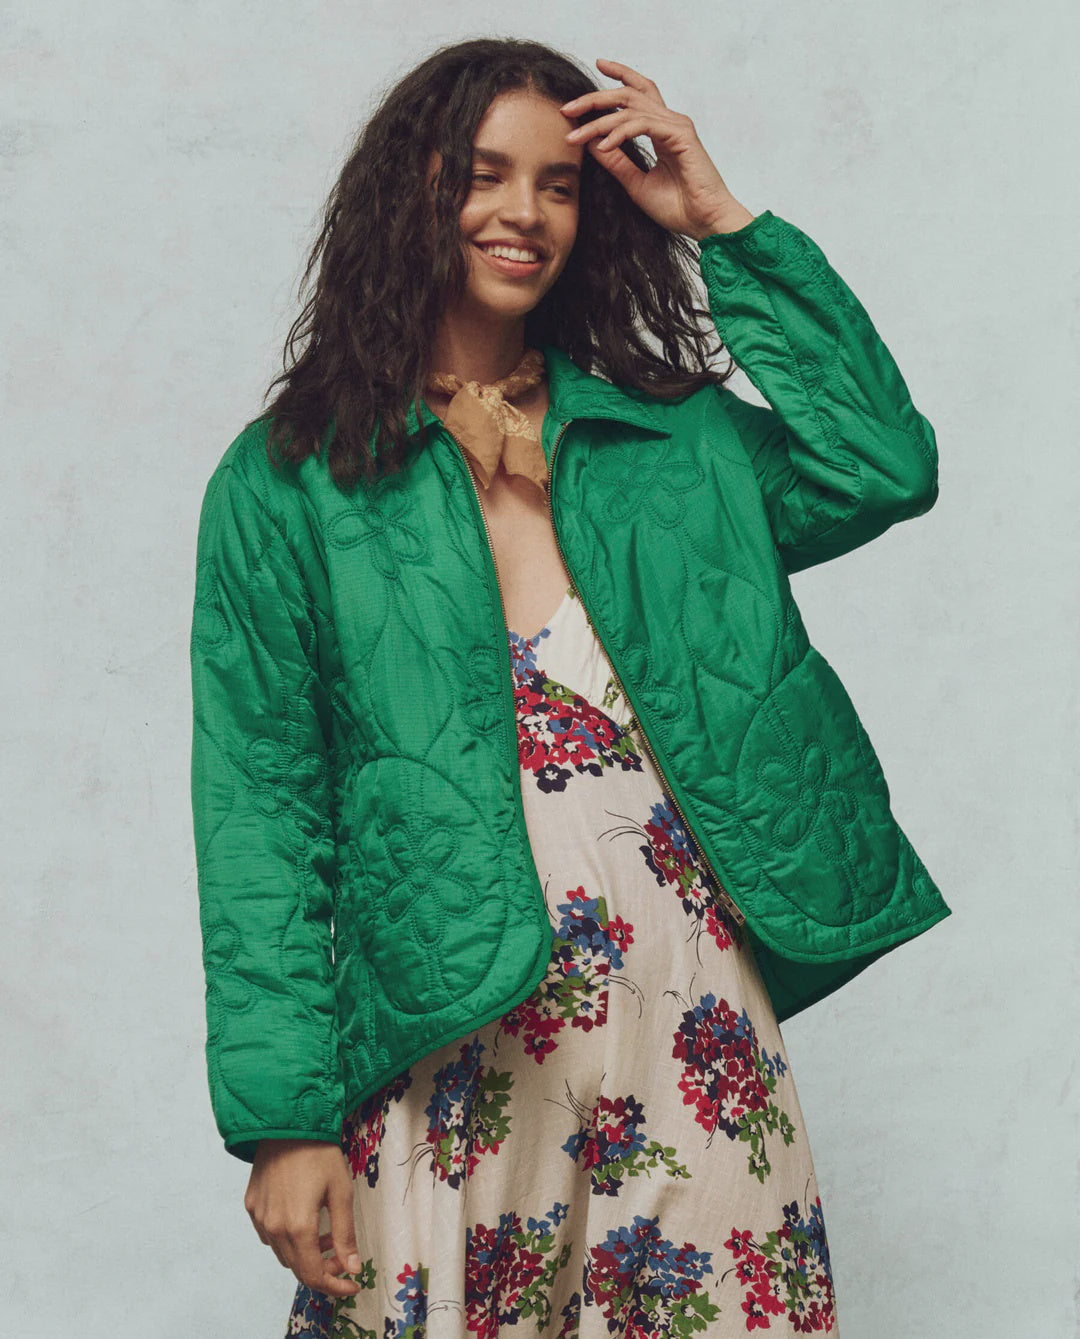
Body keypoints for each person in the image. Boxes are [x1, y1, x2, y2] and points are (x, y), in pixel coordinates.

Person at [189, 37, 951, 1337]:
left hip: (687, 1031)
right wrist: (281, 1122)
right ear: (407, 191)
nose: (521, 213)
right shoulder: (289, 480)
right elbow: (261, 810)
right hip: (447, 1049)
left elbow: (880, 460)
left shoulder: (675, 442)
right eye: (482, 174)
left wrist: (721, 218)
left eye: (557, 184)